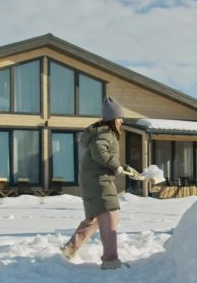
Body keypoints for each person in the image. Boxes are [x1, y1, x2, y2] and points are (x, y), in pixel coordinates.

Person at [59, 96, 142, 269]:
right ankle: (110, 261)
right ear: (113, 119)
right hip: (99, 182)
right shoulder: (106, 134)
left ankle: (69, 249)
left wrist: (127, 169)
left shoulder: (104, 133)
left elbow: (105, 157)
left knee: (96, 218)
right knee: (110, 216)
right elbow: (100, 151)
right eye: (120, 118)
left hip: (94, 180)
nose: (122, 121)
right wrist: (115, 166)